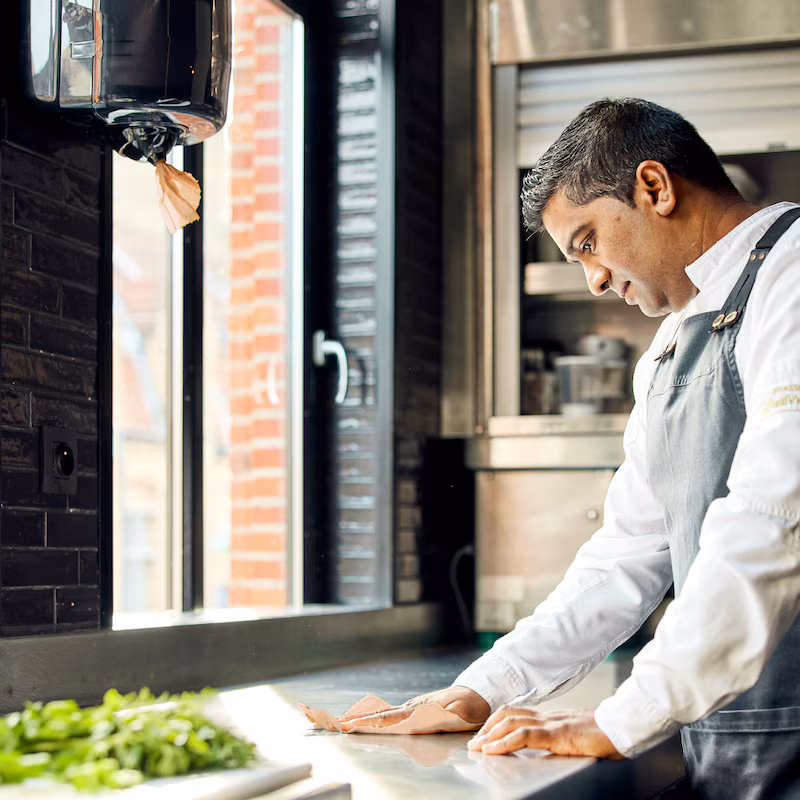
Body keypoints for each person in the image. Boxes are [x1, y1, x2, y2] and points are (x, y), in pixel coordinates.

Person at [341, 98, 800, 799]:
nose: (592, 278)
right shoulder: (668, 352)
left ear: (655, 187)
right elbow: (623, 559)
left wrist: (625, 716)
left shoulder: (792, 277)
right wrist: (481, 690)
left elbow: (776, 514)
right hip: (736, 746)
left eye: (588, 240)